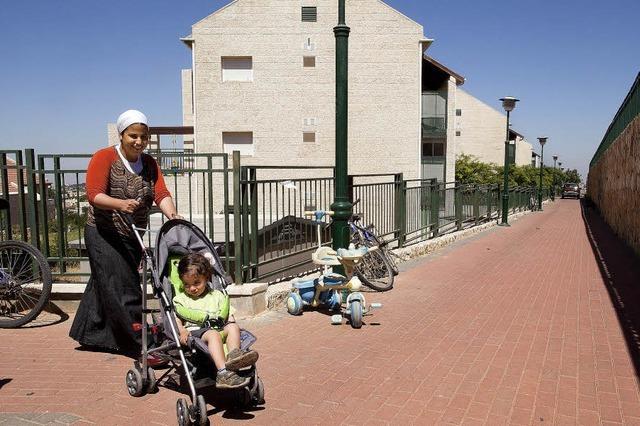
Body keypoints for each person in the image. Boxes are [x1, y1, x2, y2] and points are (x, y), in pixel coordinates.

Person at [70, 109, 181, 356]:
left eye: (143, 136)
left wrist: (172, 214)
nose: (139, 142)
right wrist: (120, 204)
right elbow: (94, 194)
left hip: (131, 233)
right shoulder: (105, 157)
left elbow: (160, 193)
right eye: (133, 136)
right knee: (124, 286)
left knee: (105, 284)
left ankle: (90, 334)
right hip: (103, 233)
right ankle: (141, 344)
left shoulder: (150, 163)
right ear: (121, 135)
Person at [174, 252, 259, 389]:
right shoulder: (181, 299)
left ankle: (234, 356)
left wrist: (231, 325)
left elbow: (228, 315)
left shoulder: (217, 296)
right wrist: (182, 331)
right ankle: (223, 373)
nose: (192, 288)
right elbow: (177, 318)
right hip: (197, 332)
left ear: (206, 278)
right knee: (213, 334)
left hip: (218, 328)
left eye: (197, 283)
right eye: (187, 285)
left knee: (233, 327)